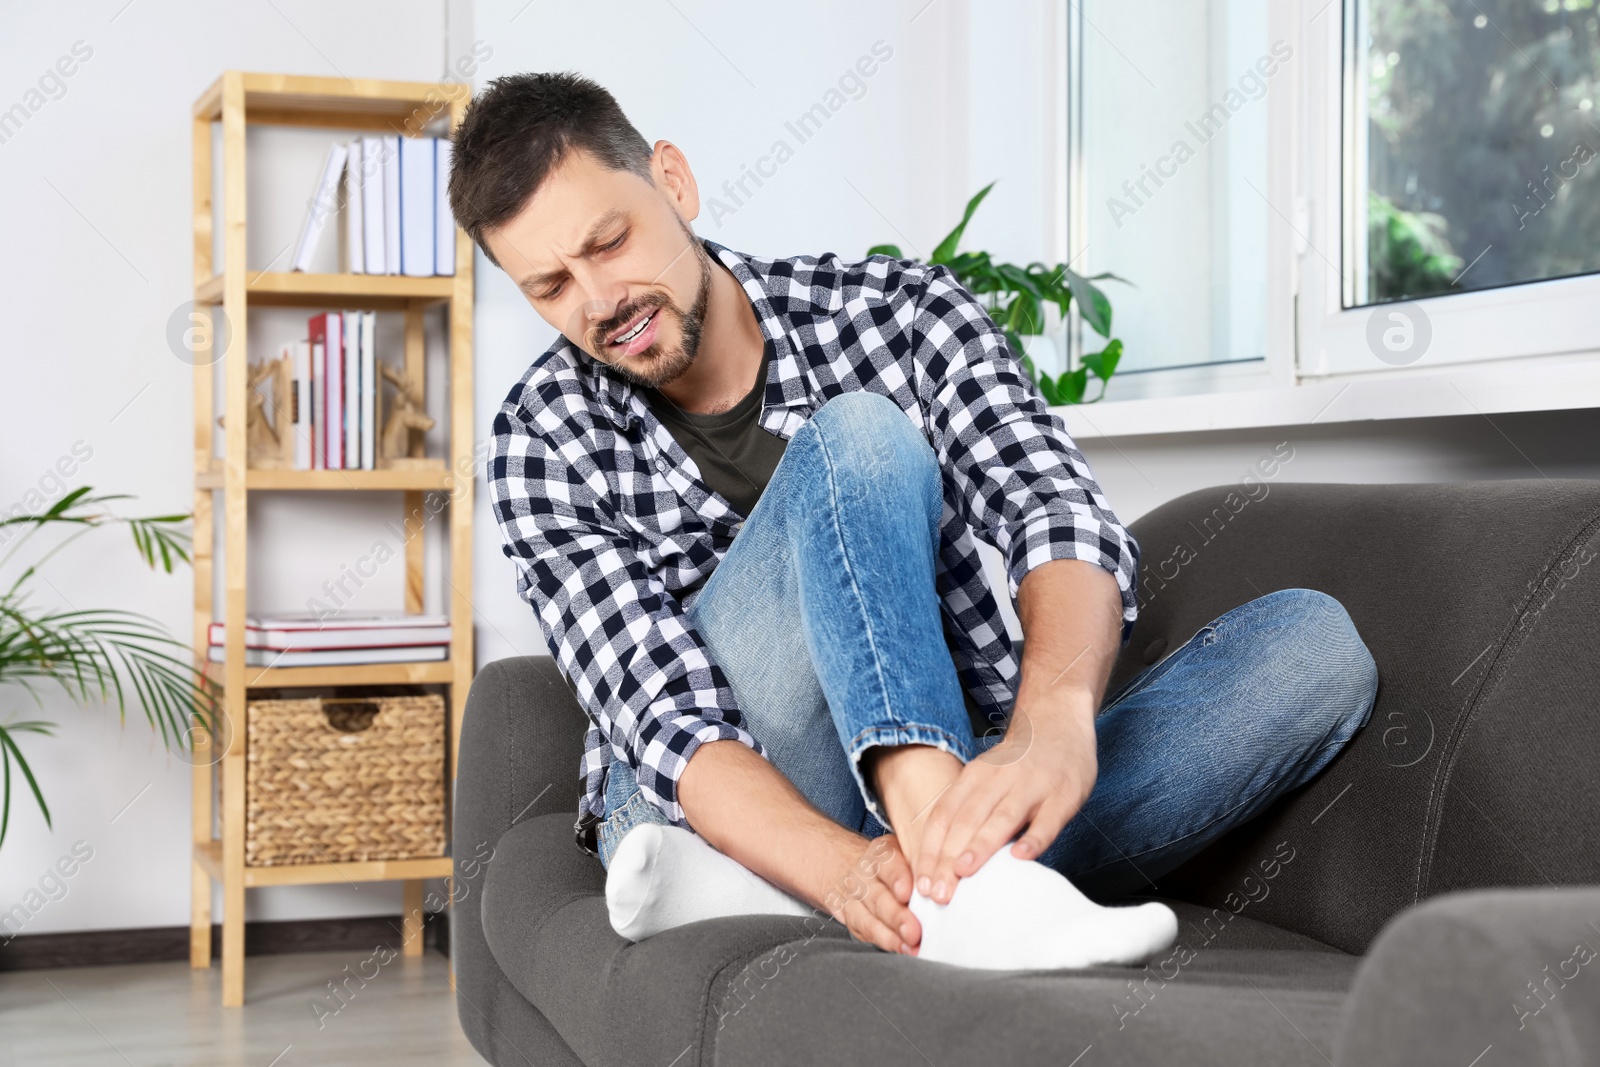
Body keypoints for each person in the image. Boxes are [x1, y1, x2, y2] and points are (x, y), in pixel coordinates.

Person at [450, 71, 1379, 969]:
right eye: (551, 287)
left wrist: (1050, 725)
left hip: (950, 757)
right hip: (707, 791)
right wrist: (840, 866)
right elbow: (666, 716)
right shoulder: (540, 438)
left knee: (1314, 651)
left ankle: (859, 881)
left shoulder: (899, 313)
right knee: (856, 435)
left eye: (609, 242)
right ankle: (955, 886)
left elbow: (1052, 510)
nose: (599, 302)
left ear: (673, 181)